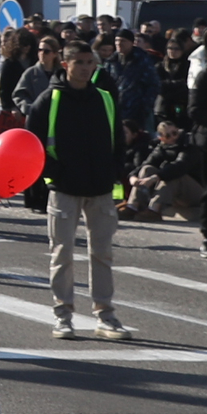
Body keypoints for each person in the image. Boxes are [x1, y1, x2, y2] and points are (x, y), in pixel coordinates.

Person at [34, 44, 131, 340]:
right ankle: (63, 315)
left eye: (91, 62)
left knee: (102, 253)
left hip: (100, 189)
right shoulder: (48, 100)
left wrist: (115, 172)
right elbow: (34, 147)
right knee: (62, 253)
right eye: (79, 62)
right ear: (65, 64)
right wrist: (56, 173)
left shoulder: (104, 98)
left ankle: (106, 314)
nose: (86, 68)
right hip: (64, 189)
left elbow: (118, 141)